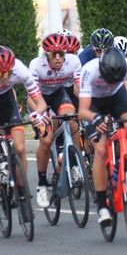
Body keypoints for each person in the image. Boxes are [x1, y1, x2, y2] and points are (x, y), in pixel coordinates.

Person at [78, 47, 127, 225]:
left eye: (117, 79)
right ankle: (102, 205)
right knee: (100, 150)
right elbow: (82, 111)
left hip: (116, 98)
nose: (112, 82)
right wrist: (95, 118)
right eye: (109, 79)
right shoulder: (89, 70)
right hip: (94, 104)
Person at [0, 45, 47, 195]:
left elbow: (41, 103)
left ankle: (22, 186)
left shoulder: (20, 70)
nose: (5, 77)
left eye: (8, 72)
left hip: (6, 99)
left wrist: (38, 114)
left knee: (19, 148)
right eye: (0, 73)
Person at [29, 33, 82, 207]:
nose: (58, 58)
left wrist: (87, 106)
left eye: (61, 53)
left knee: (72, 120)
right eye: (54, 54)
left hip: (59, 94)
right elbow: (32, 96)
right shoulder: (36, 65)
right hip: (38, 98)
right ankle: (42, 183)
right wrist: (40, 114)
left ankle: (74, 164)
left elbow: (79, 89)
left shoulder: (73, 61)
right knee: (46, 139)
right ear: (46, 54)